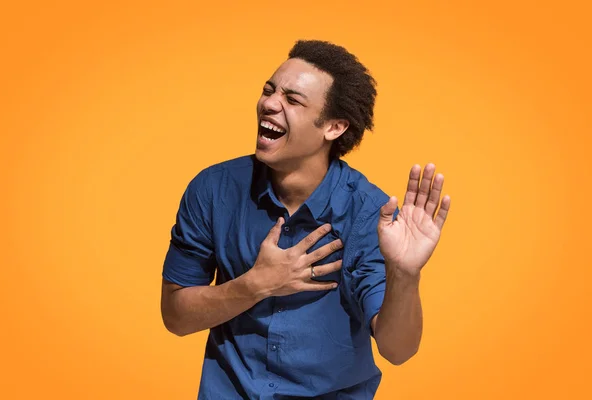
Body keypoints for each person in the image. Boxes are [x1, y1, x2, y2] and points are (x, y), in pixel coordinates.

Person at [161, 39, 451, 399]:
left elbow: (399, 350)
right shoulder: (213, 190)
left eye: (292, 100)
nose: (269, 103)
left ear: (333, 127)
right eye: (269, 90)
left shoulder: (368, 215)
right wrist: (255, 284)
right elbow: (175, 316)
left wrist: (405, 275)